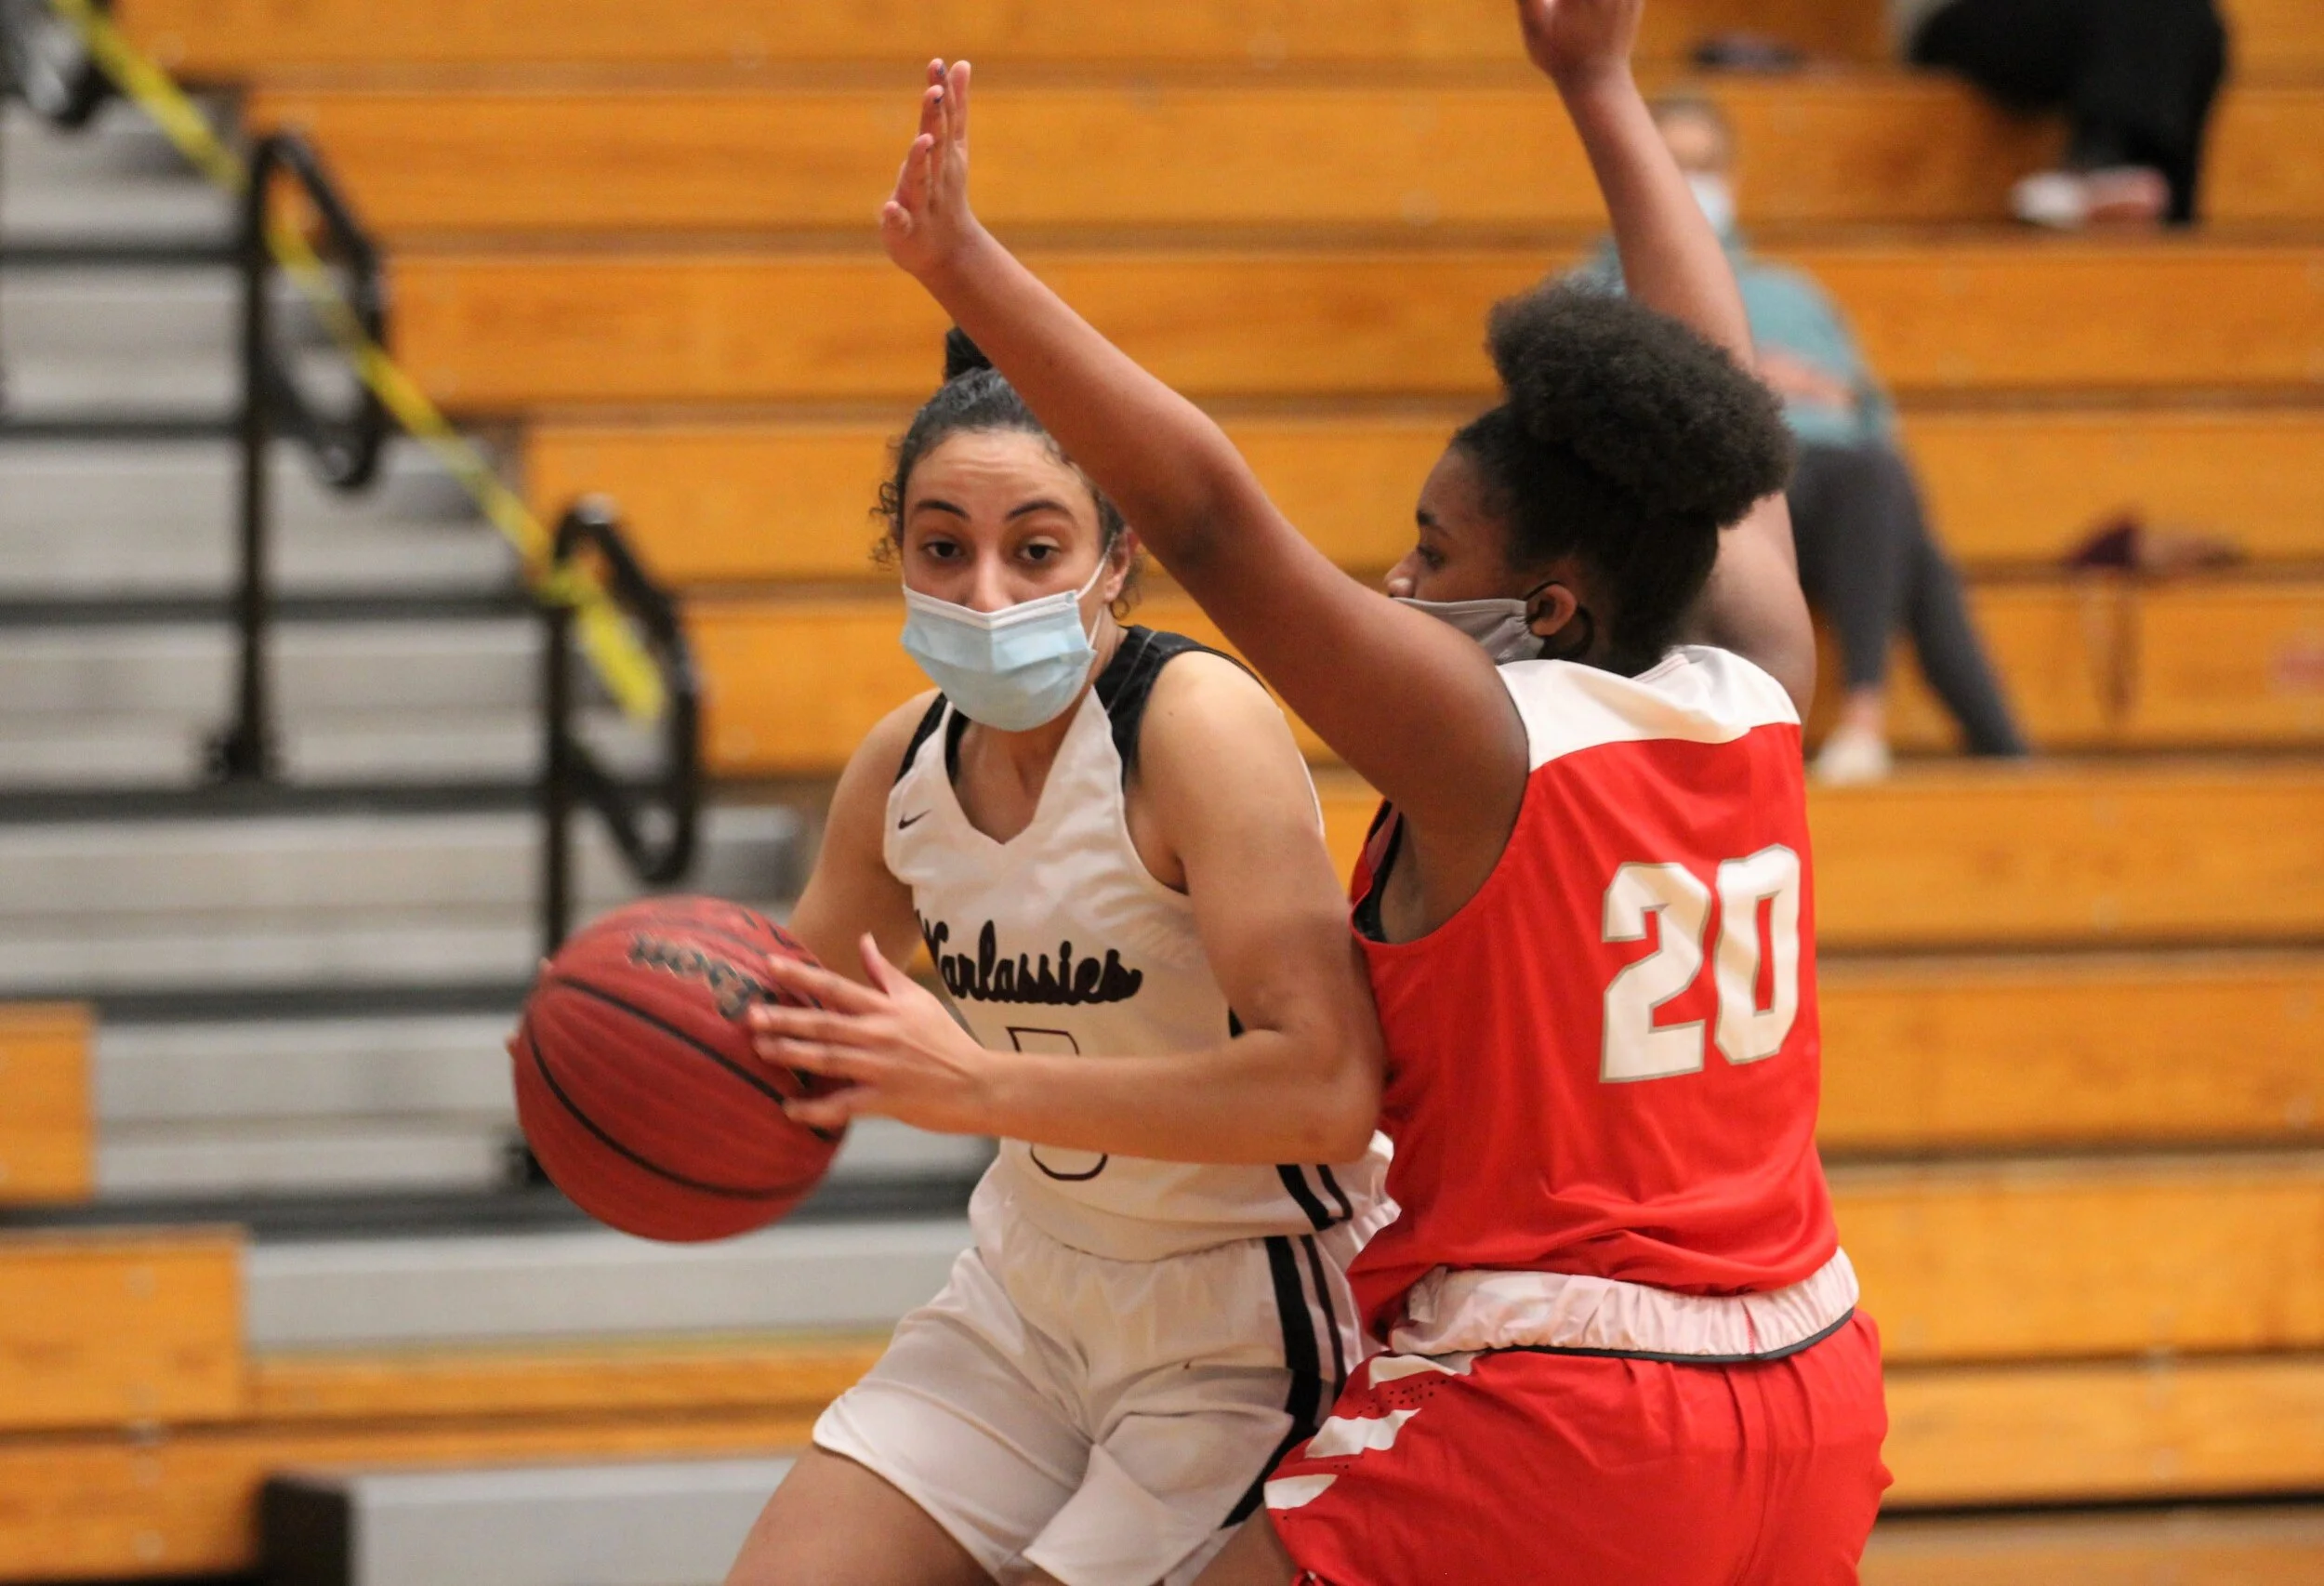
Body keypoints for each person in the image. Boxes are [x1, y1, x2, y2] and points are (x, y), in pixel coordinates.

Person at [758, 2, 1889, 1580]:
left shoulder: (1480, 743)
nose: (1399, 582)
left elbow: (1211, 522)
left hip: (1565, 1391)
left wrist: (967, 272)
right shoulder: (1761, 680)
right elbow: (1721, 402)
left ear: (1547, 605)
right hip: (1811, 1369)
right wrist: (1599, 86)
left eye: (1432, 549)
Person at [721, 330, 1393, 1586]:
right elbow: (774, 1039)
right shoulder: (901, 767)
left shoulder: (1191, 726)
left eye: (1035, 550)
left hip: (1245, 1315)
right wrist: (619, 1040)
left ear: (1115, 558)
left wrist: (978, 1085)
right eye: (943, 549)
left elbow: (1327, 1087)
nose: (985, 594)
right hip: (1023, 1296)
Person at [1576, 92, 2027, 781]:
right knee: (1897, 519)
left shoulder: (1794, 294)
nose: (1692, 181)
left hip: (1831, 499)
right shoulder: (1592, 297)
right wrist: (1757, 382)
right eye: (1672, 164)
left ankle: (1880, 727)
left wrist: (1833, 395)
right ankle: (1982, 745)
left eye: (1706, 164)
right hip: (1699, 506)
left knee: (1878, 479)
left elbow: (1872, 416)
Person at [1895, 0, 2229, 228]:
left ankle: (2149, 198)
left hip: (2098, 25)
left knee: (2194, 18)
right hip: (1967, 16)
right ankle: (2106, 166)